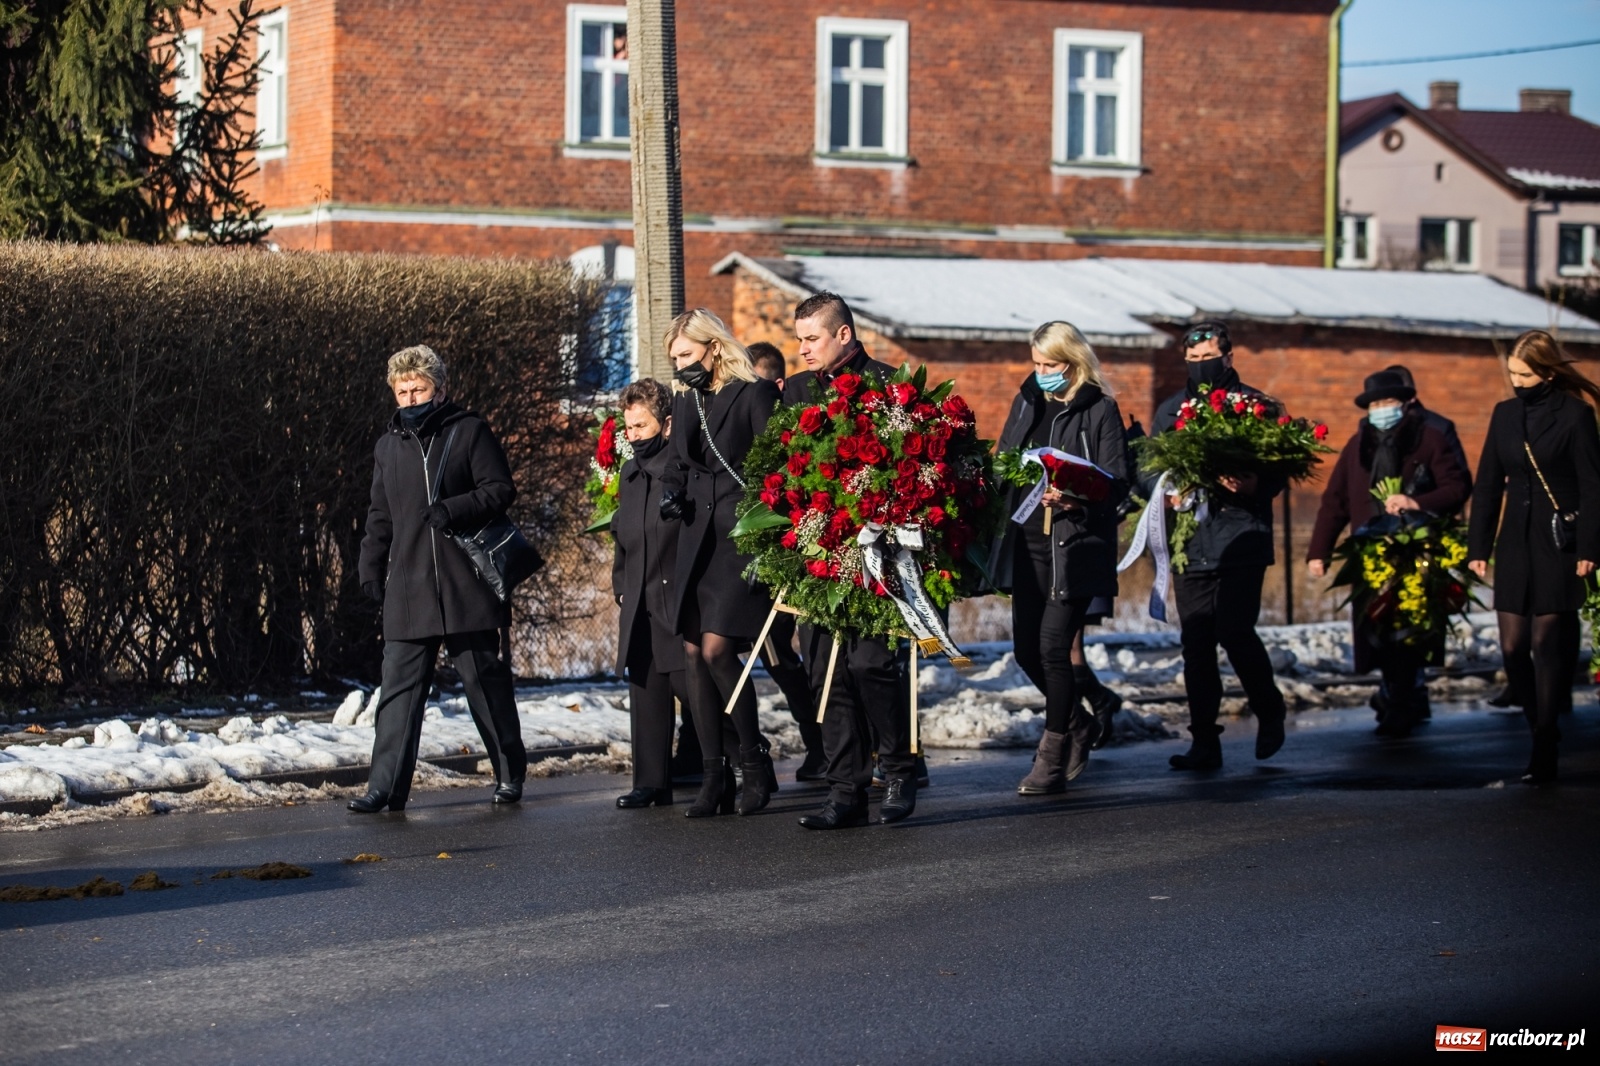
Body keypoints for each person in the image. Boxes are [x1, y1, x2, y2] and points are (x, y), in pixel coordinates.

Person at [352, 345, 528, 812]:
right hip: (408, 586)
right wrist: (370, 565)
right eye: (403, 391)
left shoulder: (469, 431)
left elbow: (500, 489)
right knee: (397, 693)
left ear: (440, 389)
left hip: (465, 581)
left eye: (419, 389)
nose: (411, 399)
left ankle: (509, 773)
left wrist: (454, 508)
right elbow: (379, 513)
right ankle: (384, 788)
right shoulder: (388, 446)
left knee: (484, 683)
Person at [781, 292, 918, 829]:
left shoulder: (888, 386)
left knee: (871, 665)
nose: (803, 349)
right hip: (818, 552)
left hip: (876, 554)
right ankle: (845, 791)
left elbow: (908, 467)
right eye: (798, 339)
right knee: (826, 673)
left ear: (843, 334)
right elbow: (780, 464)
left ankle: (899, 770)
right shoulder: (796, 391)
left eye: (811, 338)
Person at [996, 322, 1129, 793]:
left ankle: (1052, 753)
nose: (1042, 372)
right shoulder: (1028, 401)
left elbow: (1117, 484)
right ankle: (1078, 723)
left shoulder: (1100, 409)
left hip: (1073, 546)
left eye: (1050, 364)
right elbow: (1005, 457)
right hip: (1027, 543)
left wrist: (1076, 499)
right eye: (1036, 363)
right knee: (1026, 651)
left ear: (1073, 363)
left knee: (1054, 648)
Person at [1151, 321, 1289, 771]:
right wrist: (1166, 490)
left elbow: (1279, 469)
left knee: (1234, 630)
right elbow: (1150, 468)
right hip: (1190, 540)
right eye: (1192, 360)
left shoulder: (1256, 407)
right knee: (1196, 642)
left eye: (1208, 358)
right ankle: (1204, 741)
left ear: (1228, 357)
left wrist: (1252, 483)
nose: (1200, 366)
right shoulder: (1171, 410)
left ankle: (1268, 707)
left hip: (1240, 537)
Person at [1305, 370, 1472, 736]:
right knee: (1377, 628)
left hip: (1415, 552)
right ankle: (1395, 693)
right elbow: (1335, 501)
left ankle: (1402, 698)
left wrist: (1417, 502)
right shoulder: (1358, 445)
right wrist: (1319, 551)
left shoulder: (1429, 438)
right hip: (1371, 553)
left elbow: (1457, 486)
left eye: (1388, 402)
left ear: (1406, 403)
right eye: (1375, 404)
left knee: (1409, 627)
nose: (1381, 410)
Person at [1467, 330, 1600, 785]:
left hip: (1558, 541)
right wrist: (1478, 547)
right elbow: (1488, 483)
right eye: (1512, 374)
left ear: (1547, 372)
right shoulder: (1504, 414)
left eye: (1525, 375)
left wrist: (1589, 547)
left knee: (1546, 644)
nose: (1517, 382)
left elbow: (1592, 485)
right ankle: (1537, 725)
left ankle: (1545, 741)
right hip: (1514, 541)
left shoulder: (1576, 415)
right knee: (1511, 647)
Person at [666, 309, 780, 817]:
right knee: (692, 651)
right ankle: (715, 775)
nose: (680, 366)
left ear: (714, 347)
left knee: (717, 651)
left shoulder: (755, 393)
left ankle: (753, 762)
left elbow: (775, 465)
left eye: (687, 355)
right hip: (696, 540)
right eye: (675, 358)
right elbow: (677, 462)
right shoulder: (686, 399)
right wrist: (672, 492)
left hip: (740, 538)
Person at [747, 340, 827, 780]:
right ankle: (817, 741)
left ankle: (826, 743)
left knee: (809, 654)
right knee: (775, 652)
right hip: (763, 551)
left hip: (803, 550)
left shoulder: (797, 415)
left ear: (777, 385)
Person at [611, 379, 689, 808]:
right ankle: (650, 781)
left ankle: (748, 758)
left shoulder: (681, 471)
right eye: (629, 428)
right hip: (638, 597)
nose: (634, 435)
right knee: (645, 687)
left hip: (674, 596)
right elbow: (622, 536)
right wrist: (621, 584)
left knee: (690, 688)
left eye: (641, 426)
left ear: (666, 424)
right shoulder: (629, 473)